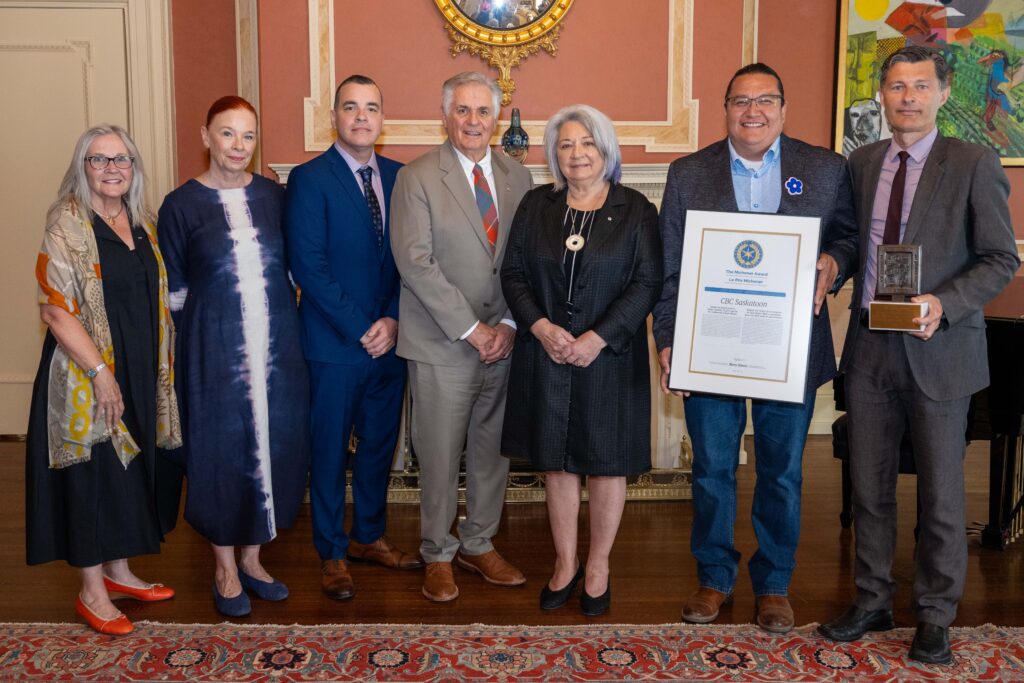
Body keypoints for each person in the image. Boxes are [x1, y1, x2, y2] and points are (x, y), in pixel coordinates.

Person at [817, 46, 1019, 665]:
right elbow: (855, 242)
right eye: (896, 86)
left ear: (941, 94)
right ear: (882, 94)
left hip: (941, 348)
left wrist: (943, 302)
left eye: (920, 86)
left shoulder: (974, 162)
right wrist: (833, 263)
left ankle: (935, 613)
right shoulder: (864, 161)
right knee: (870, 484)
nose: (907, 97)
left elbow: (1001, 258)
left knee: (942, 492)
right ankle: (873, 598)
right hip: (871, 345)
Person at [651, 63, 858, 633]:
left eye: (766, 100)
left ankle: (773, 584)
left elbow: (849, 236)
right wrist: (668, 340)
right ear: (726, 109)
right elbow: (669, 267)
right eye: (741, 100)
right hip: (709, 350)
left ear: (784, 109)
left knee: (782, 473)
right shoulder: (689, 173)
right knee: (713, 470)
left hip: (785, 352)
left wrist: (834, 261)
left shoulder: (824, 168)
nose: (753, 111)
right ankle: (714, 577)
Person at [501, 105, 662, 616]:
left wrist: (597, 337)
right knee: (557, 466)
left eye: (587, 143)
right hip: (546, 353)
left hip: (609, 358)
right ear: (554, 154)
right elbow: (514, 274)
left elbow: (647, 283)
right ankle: (565, 563)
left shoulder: (636, 209)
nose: (576, 154)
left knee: (607, 465)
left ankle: (598, 567)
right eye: (566, 145)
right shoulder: (535, 205)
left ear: (606, 150)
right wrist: (542, 327)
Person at [26, 125, 182, 635]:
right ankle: (92, 592)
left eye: (122, 159)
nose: (113, 168)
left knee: (126, 471)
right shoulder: (66, 225)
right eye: (99, 160)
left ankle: (119, 573)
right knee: (91, 475)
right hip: (85, 371)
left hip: (138, 364)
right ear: (82, 167)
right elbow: (54, 310)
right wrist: (99, 374)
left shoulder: (142, 221)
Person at [158, 96, 310, 617]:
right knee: (219, 452)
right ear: (206, 136)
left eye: (247, 136)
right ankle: (223, 567)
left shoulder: (275, 197)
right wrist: (182, 357)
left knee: (275, 444)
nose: (238, 146)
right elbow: (174, 293)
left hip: (279, 349)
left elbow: (296, 270)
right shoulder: (179, 206)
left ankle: (253, 559)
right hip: (211, 349)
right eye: (227, 134)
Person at [390, 71, 533, 602]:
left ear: (497, 118)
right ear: (445, 116)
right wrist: (474, 331)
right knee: (441, 453)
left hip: (504, 340)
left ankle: (479, 543)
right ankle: (437, 551)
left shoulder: (519, 177)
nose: (473, 121)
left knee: (492, 451)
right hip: (443, 344)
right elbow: (415, 263)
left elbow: (524, 260)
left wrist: (511, 327)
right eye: (463, 111)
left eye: (483, 112)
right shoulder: (419, 176)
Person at [285, 75, 421, 602]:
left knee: (379, 447)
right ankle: (332, 551)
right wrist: (360, 328)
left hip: (390, 343)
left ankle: (368, 537)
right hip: (334, 345)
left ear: (383, 119)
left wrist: (391, 322)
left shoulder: (400, 176)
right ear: (335, 117)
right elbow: (309, 267)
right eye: (351, 107)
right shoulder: (309, 178)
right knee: (328, 450)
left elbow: (409, 260)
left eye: (371, 108)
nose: (362, 117)